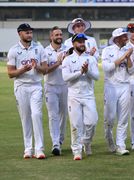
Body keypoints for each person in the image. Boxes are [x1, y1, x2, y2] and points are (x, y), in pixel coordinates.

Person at [7, 23, 48, 159]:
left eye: (30, 32)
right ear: (20, 34)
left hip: (36, 86)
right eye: (27, 32)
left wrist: (37, 67)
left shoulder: (39, 48)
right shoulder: (13, 50)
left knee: (36, 115)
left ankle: (39, 149)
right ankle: (28, 149)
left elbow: (45, 69)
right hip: (21, 87)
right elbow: (10, 73)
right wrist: (22, 70)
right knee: (25, 118)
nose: (30, 35)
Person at [62, 33, 99, 160]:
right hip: (74, 96)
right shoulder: (67, 60)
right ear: (73, 44)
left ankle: (86, 142)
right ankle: (77, 150)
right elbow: (65, 78)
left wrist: (87, 71)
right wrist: (80, 72)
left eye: (83, 42)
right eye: (79, 42)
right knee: (76, 124)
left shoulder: (91, 59)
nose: (82, 44)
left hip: (88, 95)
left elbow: (97, 77)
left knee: (92, 122)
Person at [102, 27, 134, 155]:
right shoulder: (107, 50)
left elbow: (132, 71)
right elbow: (107, 68)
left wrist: (128, 58)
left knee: (123, 118)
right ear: (116, 39)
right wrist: (123, 57)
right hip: (111, 86)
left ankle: (121, 145)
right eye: (123, 36)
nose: (126, 37)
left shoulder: (128, 50)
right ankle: (110, 140)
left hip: (125, 85)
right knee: (109, 118)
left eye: (126, 35)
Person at [44, 26, 69, 156]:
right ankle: (55, 144)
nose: (59, 36)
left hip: (65, 86)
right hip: (51, 87)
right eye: (56, 35)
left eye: (60, 34)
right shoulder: (45, 51)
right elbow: (45, 70)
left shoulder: (67, 50)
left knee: (63, 115)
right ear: (51, 37)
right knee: (53, 115)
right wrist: (58, 63)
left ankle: (60, 140)